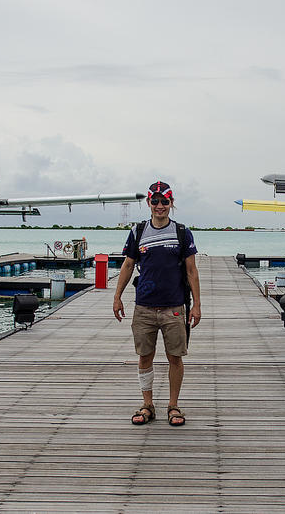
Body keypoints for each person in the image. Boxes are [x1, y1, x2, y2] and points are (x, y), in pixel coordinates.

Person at [113, 181, 202, 427]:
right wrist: (117, 296)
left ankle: (173, 406)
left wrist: (196, 305)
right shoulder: (138, 231)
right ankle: (147, 404)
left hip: (174, 307)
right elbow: (128, 265)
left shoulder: (182, 232)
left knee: (175, 358)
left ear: (171, 203)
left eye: (165, 202)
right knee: (145, 357)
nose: (160, 206)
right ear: (148, 203)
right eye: (155, 201)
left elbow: (192, 270)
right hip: (144, 307)